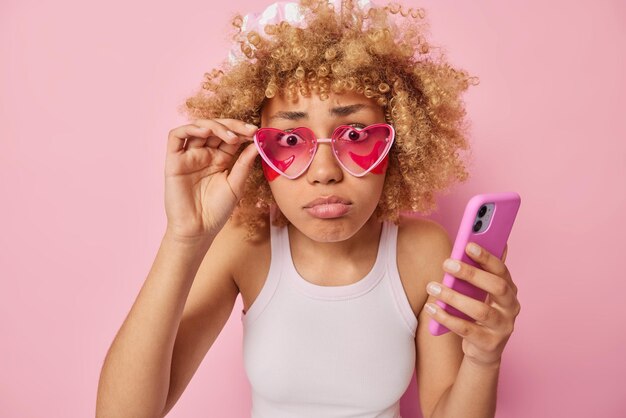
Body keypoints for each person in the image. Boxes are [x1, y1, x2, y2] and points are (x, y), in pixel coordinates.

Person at [96, 0, 521, 417]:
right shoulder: (247, 247)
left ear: (401, 142)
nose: (324, 173)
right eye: (290, 141)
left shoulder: (422, 251)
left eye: (355, 134)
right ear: (254, 151)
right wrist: (183, 238)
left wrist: (484, 360)